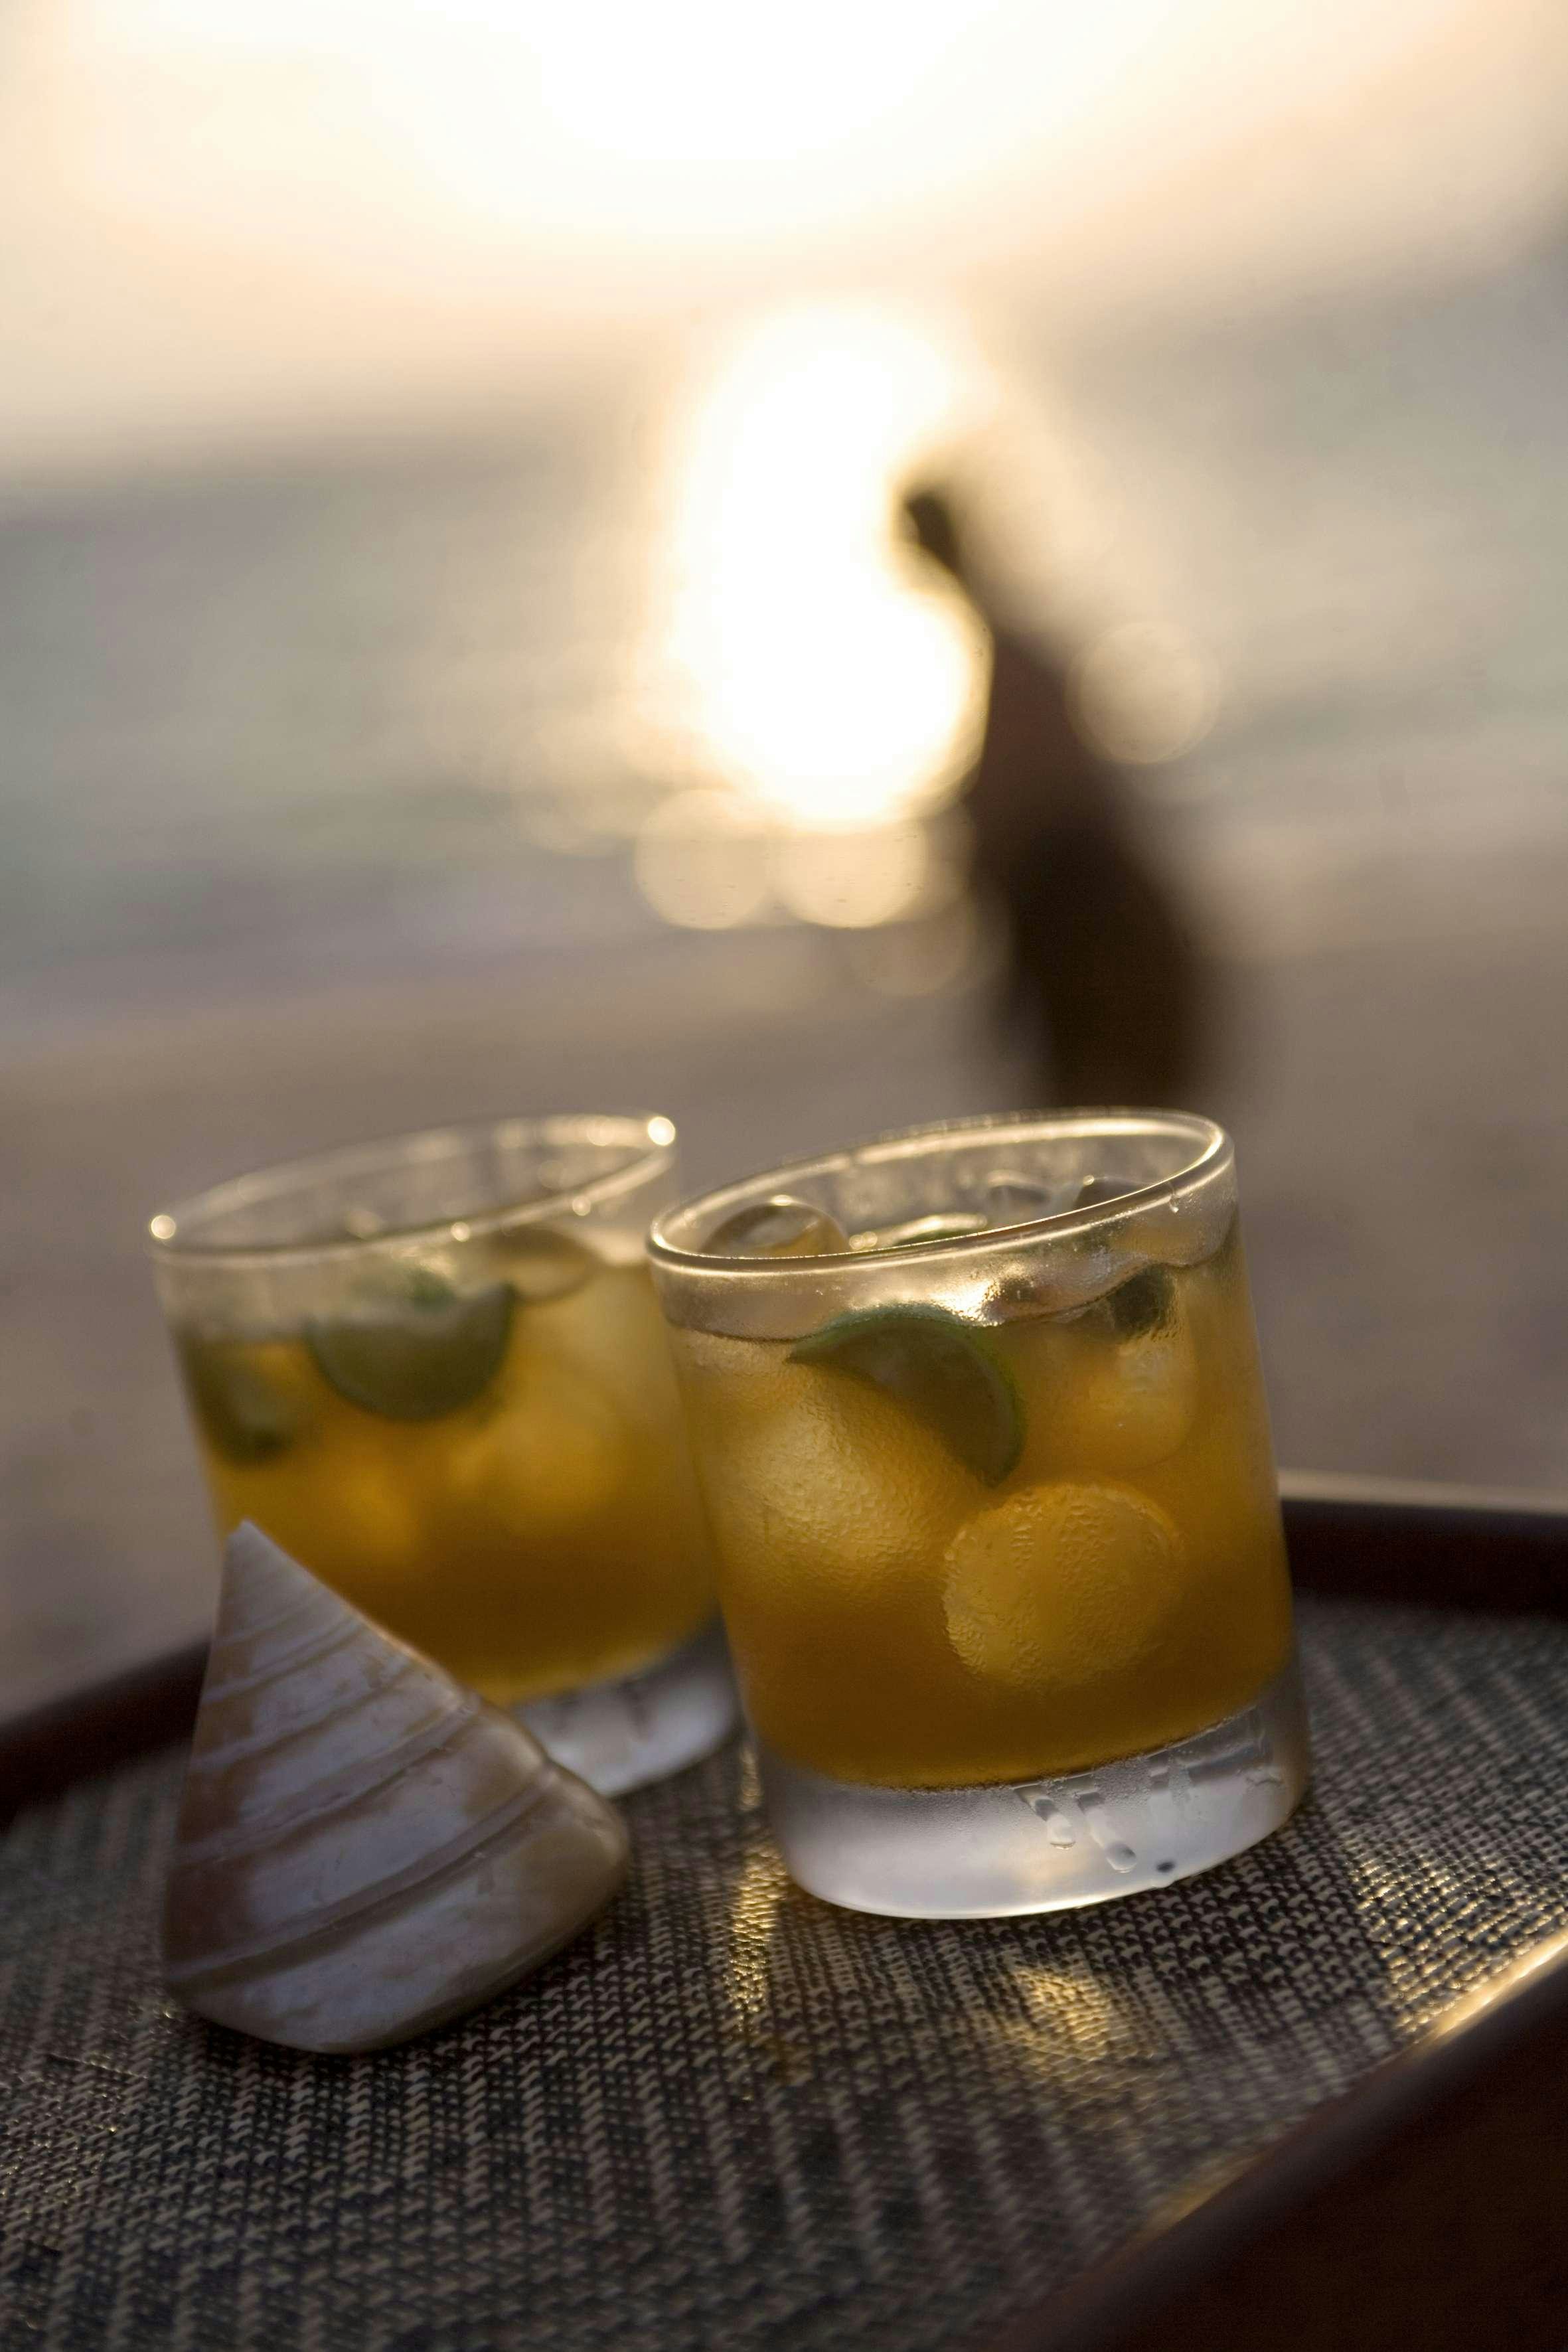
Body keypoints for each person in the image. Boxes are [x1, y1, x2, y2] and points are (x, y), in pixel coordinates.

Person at [905, 485, 1212, 1107]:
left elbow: (1030, 798)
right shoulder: (1008, 641)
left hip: (1073, 910)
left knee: (1095, 1106)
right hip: (1065, 905)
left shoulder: (1006, 649)